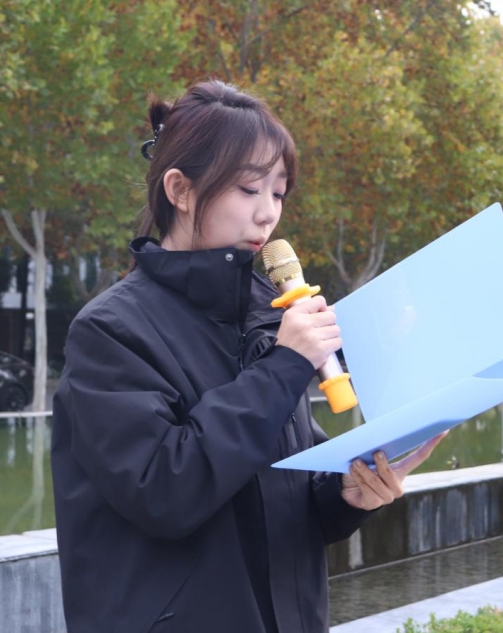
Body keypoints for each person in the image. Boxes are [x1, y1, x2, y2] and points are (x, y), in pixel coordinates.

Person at [51, 80, 444, 633]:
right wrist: (284, 367)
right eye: (248, 189)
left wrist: (345, 495)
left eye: (278, 193)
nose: (267, 215)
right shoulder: (110, 331)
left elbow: (285, 486)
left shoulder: (268, 317)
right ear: (180, 189)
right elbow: (164, 491)